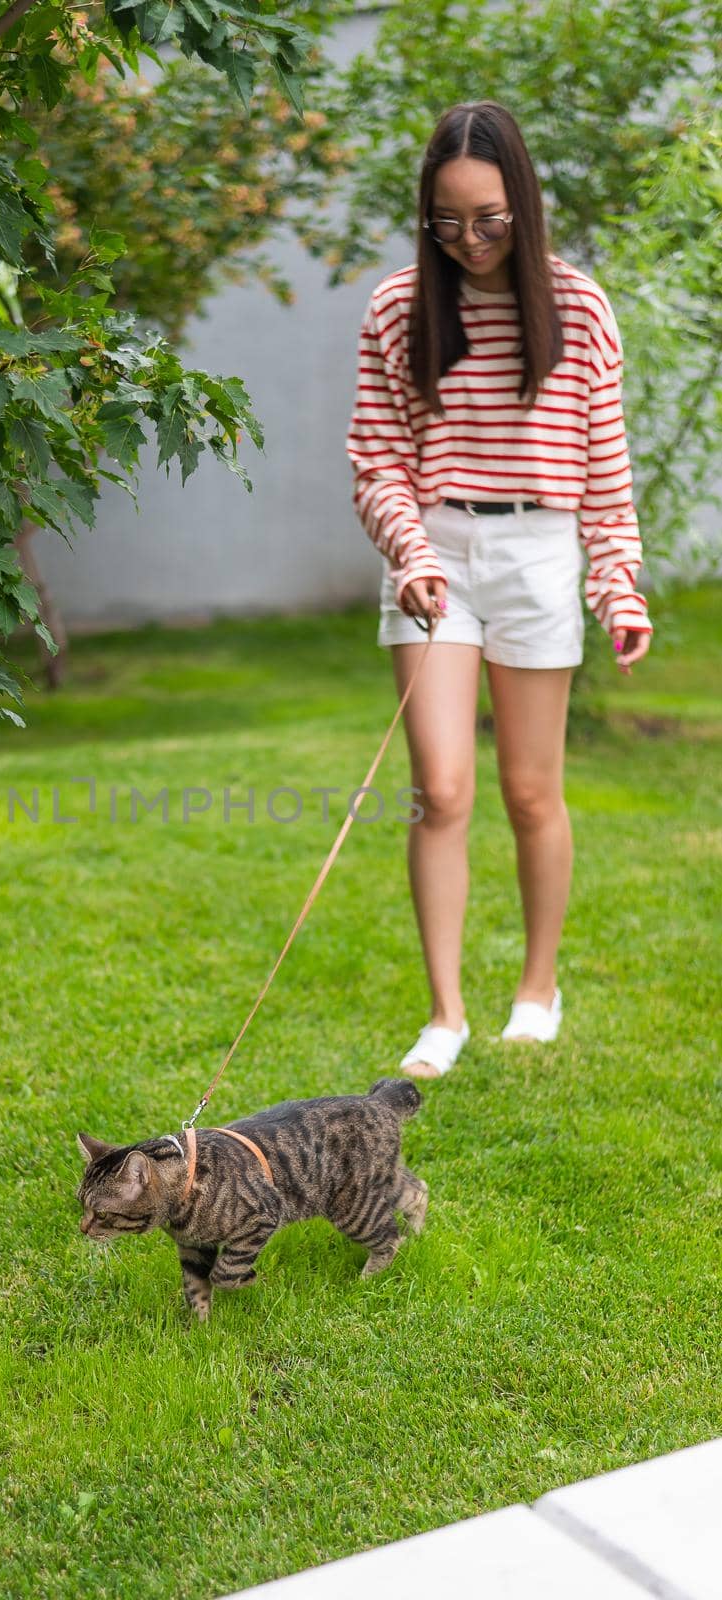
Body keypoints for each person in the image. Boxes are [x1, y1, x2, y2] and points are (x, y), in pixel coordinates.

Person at [345, 100, 653, 1079]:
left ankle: (536, 988)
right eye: (447, 221)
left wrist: (620, 589)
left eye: (487, 219)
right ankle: (445, 1013)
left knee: (530, 791)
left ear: (522, 205)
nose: (468, 240)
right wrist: (411, 550)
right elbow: (377, 460)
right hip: (434, 554)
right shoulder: (399, 308)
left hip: (540, 553)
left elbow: (606, 475)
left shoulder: (578, 309)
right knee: (440, 789)